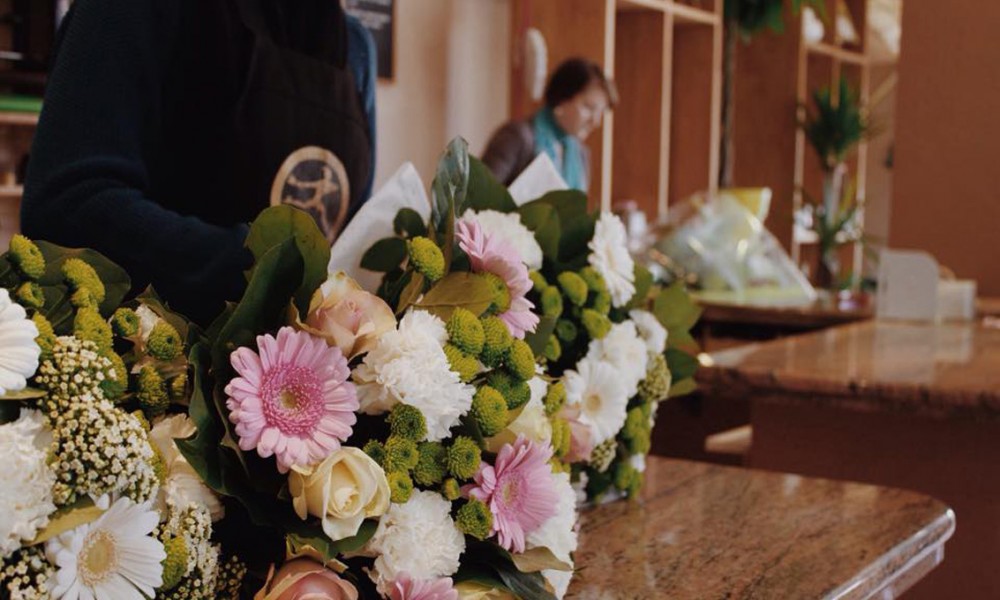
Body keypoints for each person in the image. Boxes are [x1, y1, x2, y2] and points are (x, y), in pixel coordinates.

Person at [20, 0, 377, 324]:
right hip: (149, 373)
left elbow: (353, 236)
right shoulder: (134, 11)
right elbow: (68, 206)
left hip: (309, 383)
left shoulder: (356, 48)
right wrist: (267, 272)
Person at [482, 57, 617, 191]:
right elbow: (479, 196)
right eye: (589, 108)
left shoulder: (581, 155)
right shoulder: (517, 137)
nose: (596, 122)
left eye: (600, 113)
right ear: (562, 99)